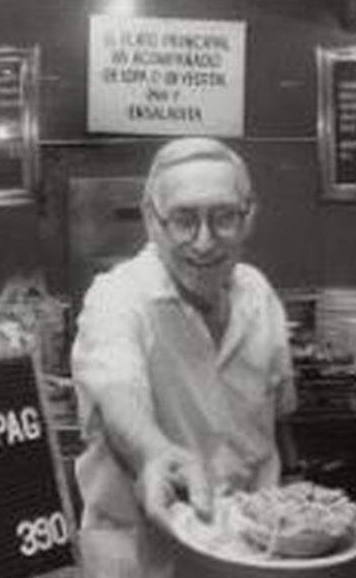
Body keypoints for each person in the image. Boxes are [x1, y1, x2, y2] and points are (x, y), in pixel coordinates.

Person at [71, 137, 296, 531]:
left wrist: (295, 500)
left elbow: (278, 419)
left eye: (224, 216)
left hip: (253, 545)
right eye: (184, 220)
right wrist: (154, 452)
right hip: (139, 553)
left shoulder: (258, 294)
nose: (204, 242)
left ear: (250, 217)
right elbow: (117, 393)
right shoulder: (117, 297)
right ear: (150, 219)